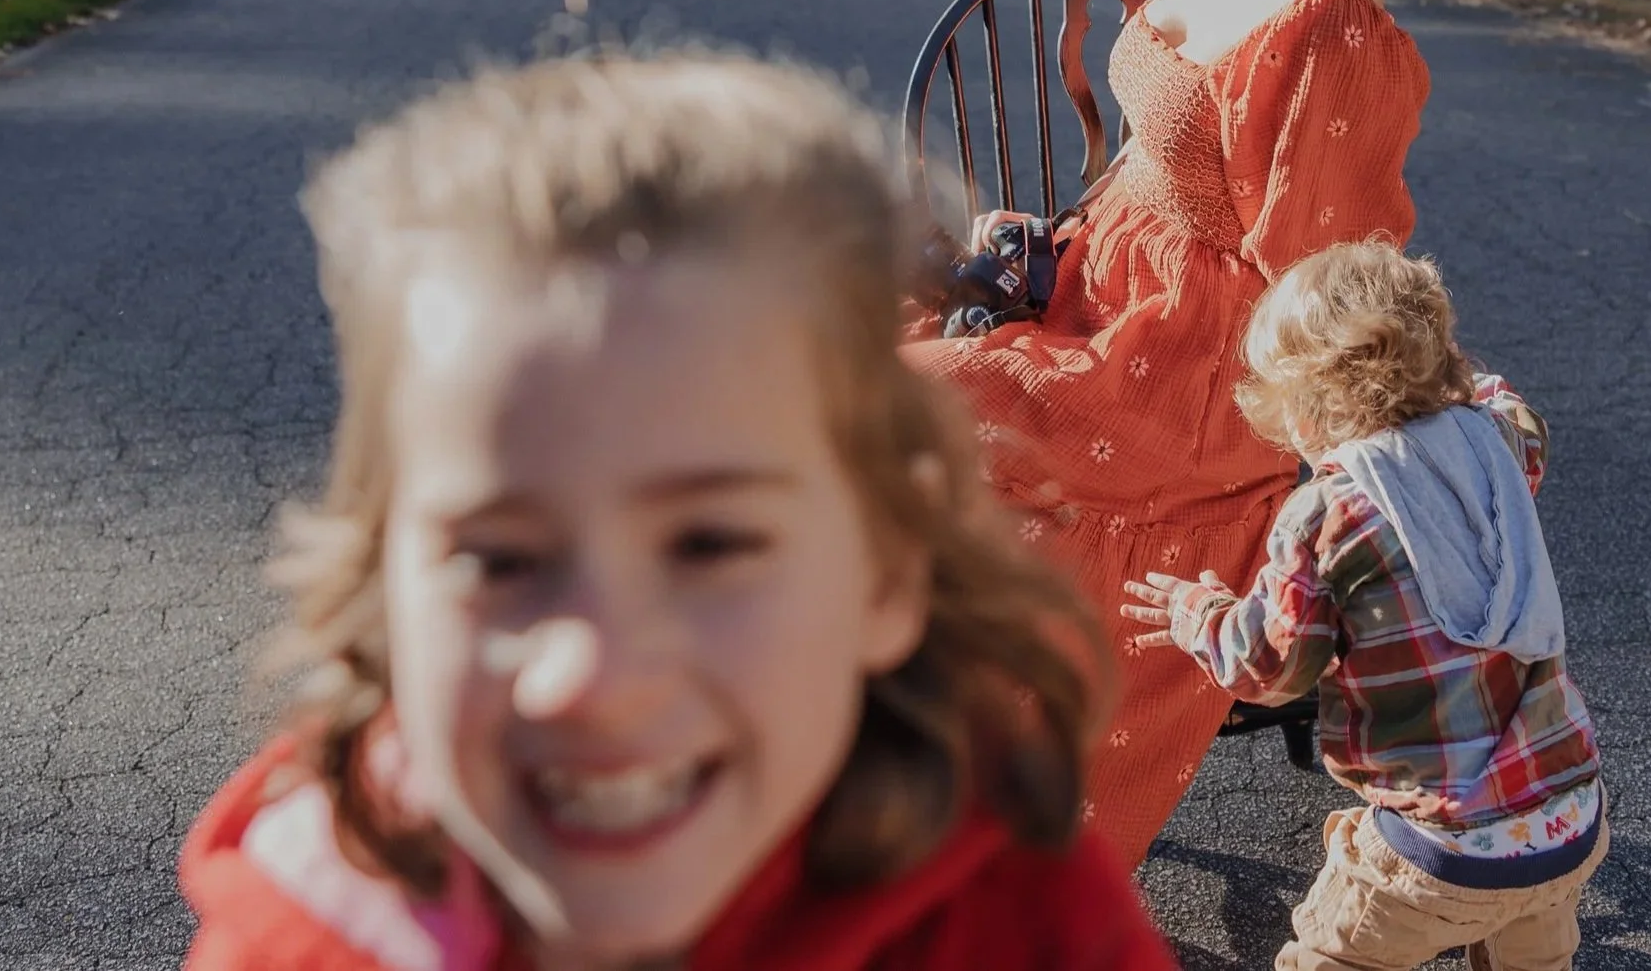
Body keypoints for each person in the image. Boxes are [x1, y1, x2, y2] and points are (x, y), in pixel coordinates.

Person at [180, 53, 1180, 971]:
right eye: (498, 559)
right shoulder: (293, 934)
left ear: (886, 569)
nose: (591, 679)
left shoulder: (1019, 917)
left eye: (709, 543)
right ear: (381, 586)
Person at [906, 0, 1472, 863]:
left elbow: (1321, 292)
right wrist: (1049, 250)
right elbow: (1178, 161)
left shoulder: (1334, 30)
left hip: (1192, 378)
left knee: (888, 411)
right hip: (1095, 288)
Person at [1123, 240, 1603, 971]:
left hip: (1438, 854)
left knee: (1334, 956)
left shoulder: (1329, 515)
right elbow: (1517, 415)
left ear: (1306, 410)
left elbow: (1273, 669)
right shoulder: (1493, 442)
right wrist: (1451, 374)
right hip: (1569, 817)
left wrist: (1203, 614)